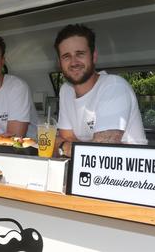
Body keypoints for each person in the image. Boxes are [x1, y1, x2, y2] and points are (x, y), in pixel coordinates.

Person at [54, 24, 147, 157]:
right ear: (59, 63)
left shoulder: (114, 86)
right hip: (89, 172)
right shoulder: (66, 90)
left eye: (80, 54)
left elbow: (101, 151)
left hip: (131, 175)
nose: (74, 62)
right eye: (66, 57)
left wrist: (63, 146)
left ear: (94, 56)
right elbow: (67, 136)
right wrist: (69, 143)